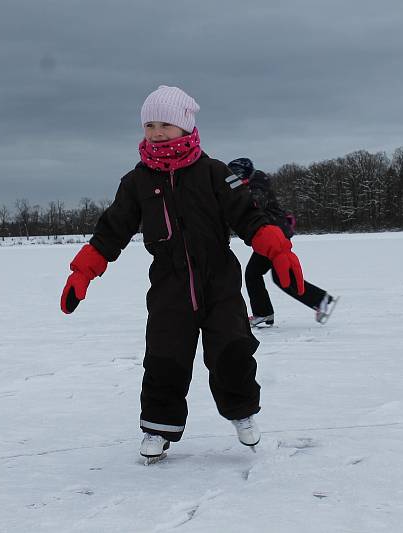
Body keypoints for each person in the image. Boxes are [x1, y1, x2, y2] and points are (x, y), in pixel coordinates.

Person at [59, 86, 305, 461]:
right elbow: (112, 230)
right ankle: (159, 428)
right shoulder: (137, 181)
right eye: (150, 125)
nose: (156, 132)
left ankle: (242, 414)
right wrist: (83, 272)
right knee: (164, 355)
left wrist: (279, 250)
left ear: (186, 126)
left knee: (233, 349)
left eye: (166, 124)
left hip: (219, 282)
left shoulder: (215, 173)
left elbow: (249, 215)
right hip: (169, 286)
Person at [228, 157, 338, 328]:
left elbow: (255, 203)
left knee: (268, 276)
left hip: (274, 238)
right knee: (260, 275)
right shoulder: (254, 183)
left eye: (236, 176)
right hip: (270, 237)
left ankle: (318, 300)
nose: (234, 180)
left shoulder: (257, 184)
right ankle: (266, 312)